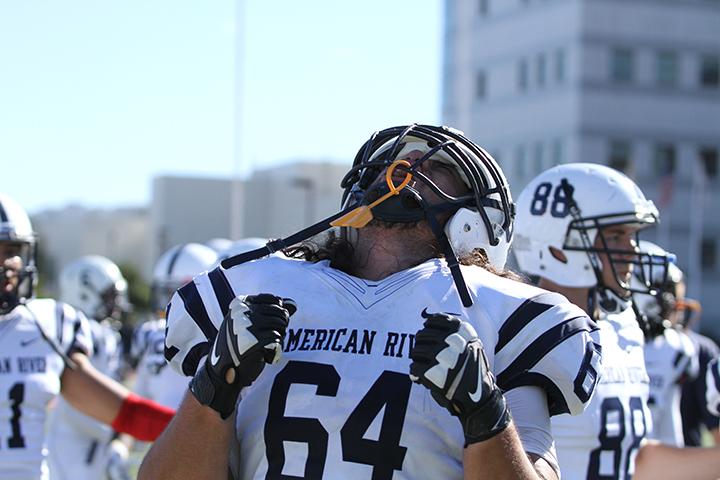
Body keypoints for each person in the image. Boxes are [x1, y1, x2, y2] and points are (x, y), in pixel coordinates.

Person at [139, 124, 601, 480]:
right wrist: (214, 385)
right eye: (392, 165)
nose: (408, 169)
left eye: (440, 174)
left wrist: (485, 415)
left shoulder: (506, 315)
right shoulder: (258, 285)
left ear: (477, 225)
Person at [514, 163, 720, 480]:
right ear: (557, 246)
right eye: (615, 236)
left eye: (632, 236)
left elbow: (631, 458)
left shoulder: (622, 328)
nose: (633, 250)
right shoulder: (523, 332)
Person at [0, 193, 175, 480]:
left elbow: (126, 413)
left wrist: (208, 433)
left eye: (12, 250)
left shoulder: (46, 325)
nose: (8, 264)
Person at [46, 255, 133, 480]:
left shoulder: (102, 333)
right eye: (109, 296)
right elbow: (77, 400)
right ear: (84, 292)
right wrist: (118, 429)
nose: (116, 304)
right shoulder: (85, 331)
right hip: (74, 443)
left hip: (90, 439)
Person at [131, 243, 219, 410]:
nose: (170, 304)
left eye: (178, 294)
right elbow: (140, 400)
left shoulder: (219, 336)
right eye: (166, 294)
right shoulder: (152, 333)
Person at [632, 242, 698, 447]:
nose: (676, 304)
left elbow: (670, 428)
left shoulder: (676, 349)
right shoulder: (606, 342)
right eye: (669, 294)